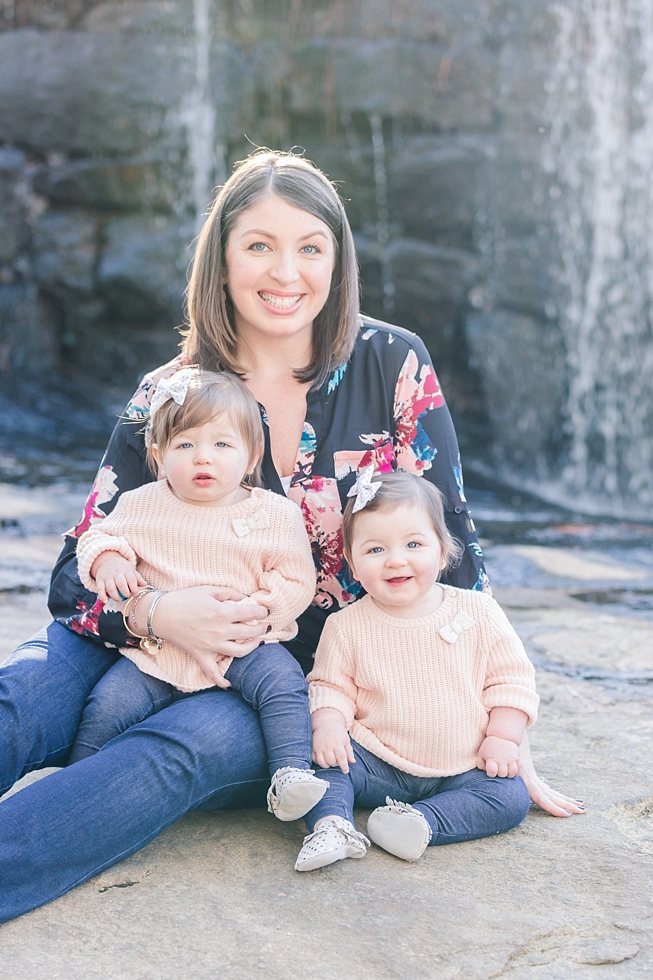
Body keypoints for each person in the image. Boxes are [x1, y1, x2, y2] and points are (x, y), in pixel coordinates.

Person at [0, 150, 583, 924]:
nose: (286, 272)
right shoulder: (172, 392)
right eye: (259, 246)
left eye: (310, 246)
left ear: (337, 260)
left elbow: (454, 552)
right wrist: (156, 613)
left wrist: (494, 724)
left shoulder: (392, 366)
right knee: (27, 695)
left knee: (179, 746)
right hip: (141, 631)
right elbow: (73, 573)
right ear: (223, 259)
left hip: (296, 682)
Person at [70, 367, 327, 823]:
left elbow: (295, 578)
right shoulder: (143, 503)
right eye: (185, 445)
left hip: (243, 641)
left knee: (285, 686)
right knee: (108, 703)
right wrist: (109, 560)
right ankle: (77, 780)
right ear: (157, 454)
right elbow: (95, 536)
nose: (202, 459)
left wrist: (260, 611)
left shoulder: (274, 513)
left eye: (222, 445)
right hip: (160, 647)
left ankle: (290, 772)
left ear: (252, 456)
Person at [295, 470, 538, 872]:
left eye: (413, 544)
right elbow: (330, 687)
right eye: (375, 550)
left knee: (510, 797)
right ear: (352, 565)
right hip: (377, 762)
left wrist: (502, 738)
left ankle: (421, 822)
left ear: (442, 552)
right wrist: (330, 725)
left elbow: (511, 683)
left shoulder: (477, 611)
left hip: (465, 764)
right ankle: (332, 824)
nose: (396, 560)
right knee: (321, 760)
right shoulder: (346, 625)